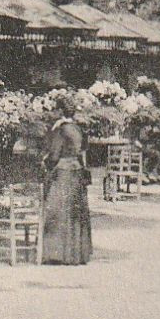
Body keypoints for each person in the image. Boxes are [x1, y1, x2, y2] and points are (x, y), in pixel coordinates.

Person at [40, 94, 93, 262]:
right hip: (76, 172)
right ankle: (76, 254)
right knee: (75, 213)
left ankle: (58, 255)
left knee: (58, 212)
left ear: (60, 111)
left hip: (63, 173)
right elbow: (83, 152)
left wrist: (45, 162)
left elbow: (54, 154)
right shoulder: (79, 129)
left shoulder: (60, 129)